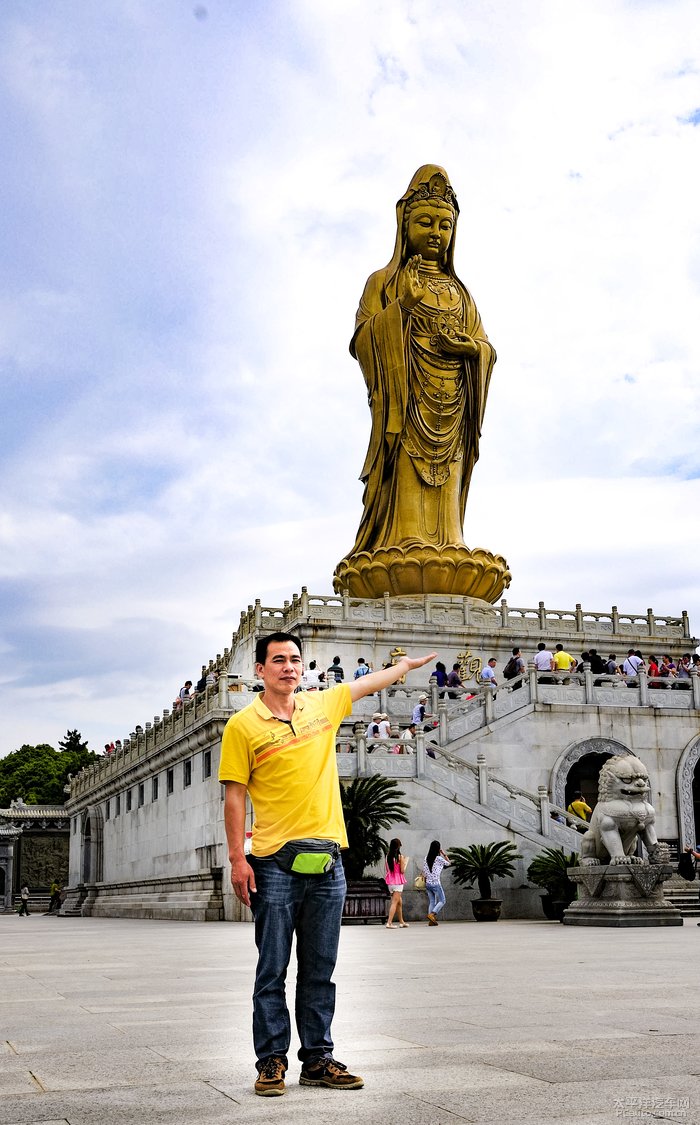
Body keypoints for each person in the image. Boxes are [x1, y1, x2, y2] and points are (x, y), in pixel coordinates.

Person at [219, 630, 436, 1097]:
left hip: (328, 863)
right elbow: (234, 797)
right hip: (273, 863)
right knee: (272, 969)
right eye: (278, 660)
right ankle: (271, 1061)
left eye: (295, 659)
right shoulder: (243, 726)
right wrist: (238, 859)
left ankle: (317, 1059)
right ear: (260, 670)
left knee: (320, 968)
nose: (288, 667)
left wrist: (404, 668)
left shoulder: (322, 705)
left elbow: (366, 686)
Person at [344, 164, 496, 560]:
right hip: (407, 408)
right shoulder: (384, 282)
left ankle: (449, 543)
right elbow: (363, 341)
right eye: (426, 222)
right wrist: (402, 307)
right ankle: (399, 543)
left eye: (445, 226)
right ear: (405, 225)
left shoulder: (461, 293)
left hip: (453, 411)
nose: (435, 233)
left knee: (448, 498)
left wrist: (472, 351)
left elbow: (486, 348)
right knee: (406, 482)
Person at [422, 841, 450, 925]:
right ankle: (432, 914)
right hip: (435, 883)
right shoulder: (439, 858)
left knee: (432, 901)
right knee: (442, 900)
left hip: (428, 883)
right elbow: (449, 863)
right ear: (438, 848)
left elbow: (424, 870)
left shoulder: (426, 858)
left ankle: (431, 921)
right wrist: (444, 854)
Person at [384, 838, 409, 928]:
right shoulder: (400, 857)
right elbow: (402, 871)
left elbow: (387, 869)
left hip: (390, 882)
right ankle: (389, 923)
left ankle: (402, 921)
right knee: (395, 902)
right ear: (398, 846)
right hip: (398, 882)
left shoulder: (387, 856)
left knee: (399, 902)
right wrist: (405, 863)